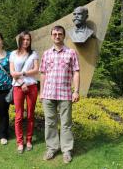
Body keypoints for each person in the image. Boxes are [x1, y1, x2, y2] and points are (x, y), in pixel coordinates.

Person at [39, 25, 80, 163]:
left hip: (65, 94)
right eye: (55, 34)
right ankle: (52, 148)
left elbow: (76, 72)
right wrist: (42, 92)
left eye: (60, 34)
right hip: (49, 94)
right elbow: (43, 74)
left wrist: (76, 91)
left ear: (64, 36)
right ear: (51, 36)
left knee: (66, 123)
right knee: (50, 123)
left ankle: (67, 150)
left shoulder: (71, 52)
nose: (57, 36)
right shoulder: (46, 54)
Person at [9, 31, 39, 154]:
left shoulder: (34, 54)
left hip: (31, 87)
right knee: (19, 116)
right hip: (18, 87)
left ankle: (29, 140)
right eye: (24, 39)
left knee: (30, 115)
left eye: (28, 39)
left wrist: (23, 73)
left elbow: (36, 70)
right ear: (20, 41)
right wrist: (22, 83)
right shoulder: (13, 54)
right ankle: (20, 142)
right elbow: (12, 72)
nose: (26, 41)